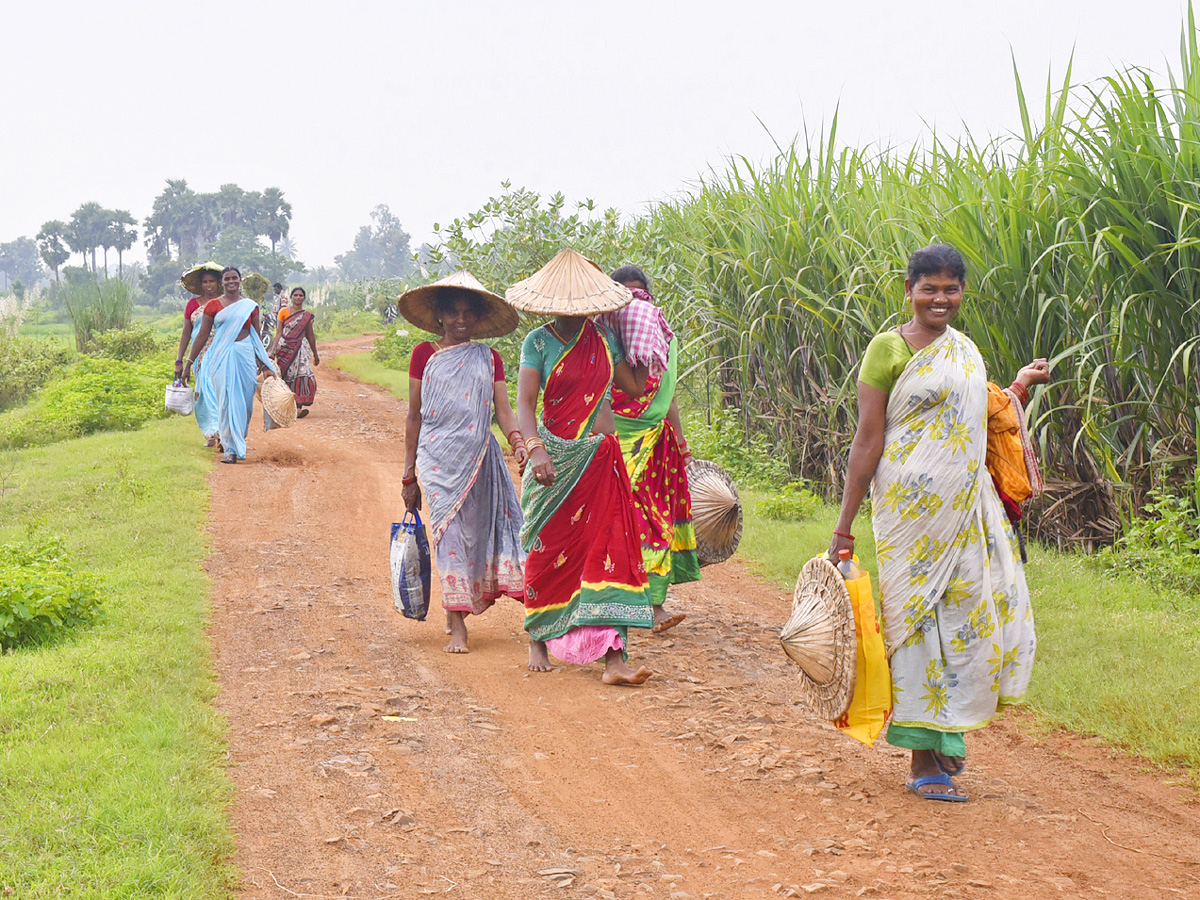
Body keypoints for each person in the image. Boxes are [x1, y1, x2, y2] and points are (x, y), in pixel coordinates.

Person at [830, 243, 1050, 801]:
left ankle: (947, 728)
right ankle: (921, 757)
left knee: (969, 619)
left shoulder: (965, 352)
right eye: (929, 287)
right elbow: (867, 439)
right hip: (908, 515)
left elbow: (985, 411)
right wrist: (843, 526)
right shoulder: (887, 350)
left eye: (951, 288)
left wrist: (1021, 383)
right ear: (909, 291)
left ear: (962, 292)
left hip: (968, 511)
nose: (940, 298)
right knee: (917, 626)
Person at [511, 248, 654, 685]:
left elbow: (635, 385)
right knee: (547, 546)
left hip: (602, 460)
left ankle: (614, 657)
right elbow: (524, 403)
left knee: (611, 549)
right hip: (555, 457)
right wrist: (535, 449)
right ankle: (539, 634)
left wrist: (644, 338)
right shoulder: (536, 342)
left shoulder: (604, 339)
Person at [398, 272, 527, 654]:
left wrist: (519, 443)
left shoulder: (489, 358)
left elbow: (502, 411)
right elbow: (414, 416)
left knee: (479, 531)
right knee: (448, 534)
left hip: (480, 458)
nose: (460, 320)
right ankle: (457, 623)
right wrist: (409, 474)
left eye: (468, 313)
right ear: (439, 315)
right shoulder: (425, 354)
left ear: (478, 318)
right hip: (437, 461)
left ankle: (461, 604)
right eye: (452, 312)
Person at [602, 265, 700, 633]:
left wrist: (682, 443)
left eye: (639, 296)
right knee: (619, 524)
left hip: (655, 444)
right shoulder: (604, 342)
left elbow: (667, 396)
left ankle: (654, 602)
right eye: (624, 296)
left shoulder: (661, 341)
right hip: (615, 443)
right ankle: (620, 600)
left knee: (655, 520)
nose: (633, 305)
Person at [182, 267, 277, 464]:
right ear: (222, 282)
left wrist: (264, 364)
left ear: (240, 280)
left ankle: (238, 438)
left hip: (244, 355)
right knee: (225, 402)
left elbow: (256, 337)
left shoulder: (250, 306)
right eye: (227, 279)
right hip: (220, 355)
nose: (231, 281)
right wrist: (187, 362)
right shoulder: (213, 306)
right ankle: (230, 450)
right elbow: (201, 336)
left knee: (245, 403)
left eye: (234, 278)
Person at [175, 262, 224, 447]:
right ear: (200, 284)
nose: (209, 285)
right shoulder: (192, 305)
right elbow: (186, 333)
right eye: (205, 282)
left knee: (218, 391)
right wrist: (180, 361)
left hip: (220, 351)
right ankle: (210, 432)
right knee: (203, 392)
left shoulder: (225, 302)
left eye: (212, 281)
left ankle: (221, 430)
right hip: (199, 355)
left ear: (219, 283)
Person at [268, 287, 320, 418]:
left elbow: (310, 335)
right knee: (285, 376)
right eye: (295, 295)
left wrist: (315, 353)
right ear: (291, 297)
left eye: (300, 295)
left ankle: (298, 407)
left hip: (300, 349)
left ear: (304, 298)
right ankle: (285, 407)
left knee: (302, 375)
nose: (298, 297)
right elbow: (279, 332)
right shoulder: (283, 312)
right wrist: (273, 351)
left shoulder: (306, 316)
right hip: (284, 348)